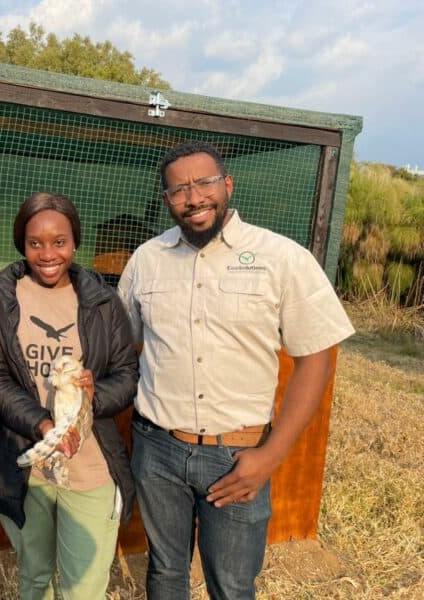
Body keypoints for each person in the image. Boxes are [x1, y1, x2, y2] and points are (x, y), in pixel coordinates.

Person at [118, 140, 355, 599]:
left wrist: (271, 455)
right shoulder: (147, 260)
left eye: (204, 182)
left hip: (238, 456)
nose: (193, 197)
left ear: (227, 183)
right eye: (178, 190)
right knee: (165, 573)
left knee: (231, 584)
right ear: (167, 200)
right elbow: (122, 344)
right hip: (156, 449)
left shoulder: (282, 258)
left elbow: (316, 362)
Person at [0, 192, 139, 600]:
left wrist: (92, 394)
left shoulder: (102, 301)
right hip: (28, 466)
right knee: (34, 578)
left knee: (83, 589)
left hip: (89, 465)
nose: (48, 253)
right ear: (22, 245)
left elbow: (127, 374)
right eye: (35, 243)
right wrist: (44, 425)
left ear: (75, 242)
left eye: (59, 242)